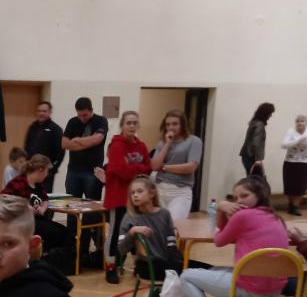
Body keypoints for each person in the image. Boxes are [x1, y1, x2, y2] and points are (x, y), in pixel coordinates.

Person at [180, 178, 289, 297]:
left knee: (186, 276)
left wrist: (221, 207)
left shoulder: (243, 216)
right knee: (215, 271)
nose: (239, 201)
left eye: (245, 196)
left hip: (252, 291)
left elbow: (218, 240)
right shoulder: (276, 217)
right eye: (236, 198)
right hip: (275, 291)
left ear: (259, 195)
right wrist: (222, 209)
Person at [94, 110, 150, 284]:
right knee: (115, 232)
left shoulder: (141, 146)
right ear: (122, 125)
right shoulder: (116, 145)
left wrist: (134, 169)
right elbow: (120, 170)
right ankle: (110, 267)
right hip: (118, 196)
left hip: (137, 198)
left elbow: (148, 168)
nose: (132, 126)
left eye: (134, 123)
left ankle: (139, 265)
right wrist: (139, 169)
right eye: (128, 123)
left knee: (137, 232)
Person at [62, 97, 109, 259]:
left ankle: (89, 248)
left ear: (91, 110)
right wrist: (85, 143)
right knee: (71, 209)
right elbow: (65, 144)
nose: (82, 118)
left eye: (85, 115)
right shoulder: (72, 122)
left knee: (91, 212)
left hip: (92, 173)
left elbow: (97, 139)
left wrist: (77, 141)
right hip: (73, 171)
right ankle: (71, 247)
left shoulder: (101, 121)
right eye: (79, 115)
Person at [2, 155, 72, 259]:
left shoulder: (38, 184)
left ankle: (55, 258)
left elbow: (45, 199)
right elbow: (4, 198)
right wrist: (24, 206)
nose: (47, 175)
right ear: (40, 170)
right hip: (21, 221)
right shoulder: (19, 182)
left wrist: (42, 208)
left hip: (36, 219)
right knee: (57, 234)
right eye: (47, 171)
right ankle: (48, 258)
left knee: (66, 232)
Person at [150, 109, 203, 220]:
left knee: (174, 224)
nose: (171, 127)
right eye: (168, 124)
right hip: (160, 188)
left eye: (175, 124)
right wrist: (167, 144)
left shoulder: (194, 141)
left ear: (182, 124)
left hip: (180, 190)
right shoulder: (162, 142)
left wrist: (164, 167)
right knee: (159, 225)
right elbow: (154, 166)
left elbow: (190, 167)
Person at [281, 115, 307, 215]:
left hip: (305, 163)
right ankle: (291, 206)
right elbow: (284, 145)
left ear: (306, 122)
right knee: (289, 187)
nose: (300, 123)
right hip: (290, 162)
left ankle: (295, 207)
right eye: (298, 121)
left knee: (301, 186)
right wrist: (298, 140)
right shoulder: (291, 131)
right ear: (295, 123)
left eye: (302, 121)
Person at [23, 100, 64, 192]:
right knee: (30, 195)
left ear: (50, 112)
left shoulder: (56, 129)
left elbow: (61, 152)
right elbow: (26, 147)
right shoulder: (32, 127)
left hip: (46, 173)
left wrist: (52, 169)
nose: (41, 113)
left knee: (44, 195)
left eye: (44, 111)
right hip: (31, 171)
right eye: (39, 111)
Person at [239, 102, 275, 179]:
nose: (271, 115)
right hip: (252, 157)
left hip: (246, 155)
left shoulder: (254, 123)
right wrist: (258, 160)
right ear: (266, 113)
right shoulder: (260, 125)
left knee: (251, 179)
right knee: (256, 181)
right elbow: (256, 143)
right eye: (270, 113)